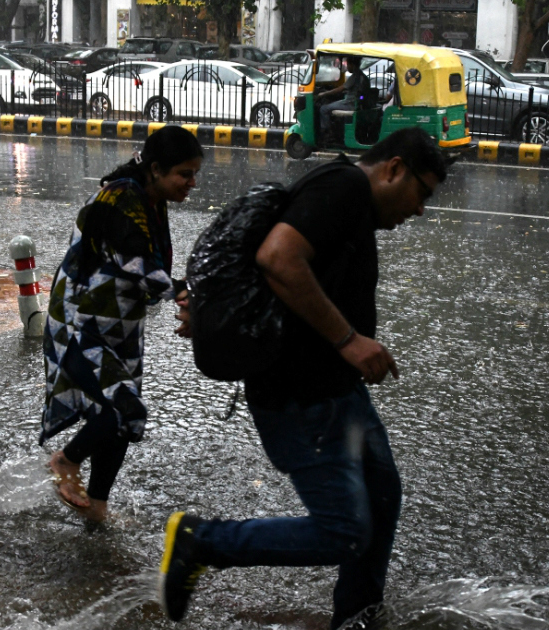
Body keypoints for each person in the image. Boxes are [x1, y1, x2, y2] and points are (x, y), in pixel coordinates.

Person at [159, 128, 452, 629]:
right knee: (344, 531)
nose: (420, 209)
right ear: (394, 168)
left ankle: (357, 618)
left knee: (382, 499)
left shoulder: (351, 199)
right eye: (421, 192)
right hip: (299, 396)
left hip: (338, 391)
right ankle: (200, 540)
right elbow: (278, 257)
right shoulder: (344, 188)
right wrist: (350, 341)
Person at [42, 126, 203, 525]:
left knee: (123, 421)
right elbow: (136, 263)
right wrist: (187, 297)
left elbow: (145, 269)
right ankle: (66, 460)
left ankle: (96, 508)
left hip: (121, 325)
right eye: (184, 174)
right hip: (83, 324)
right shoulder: (118, 198)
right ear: (156, 169)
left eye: (194, 173)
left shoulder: (150, 197)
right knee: (121, 407)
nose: (191, 183)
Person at [319, 57, 367, 140]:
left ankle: (327, 133)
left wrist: (324, 93)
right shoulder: (363, 76)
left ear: (352, 65)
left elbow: (341, 89)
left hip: (350, 104)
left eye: (348, 65)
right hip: (358, 103)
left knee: (323, 109)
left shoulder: (355, 76)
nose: (347, 67)